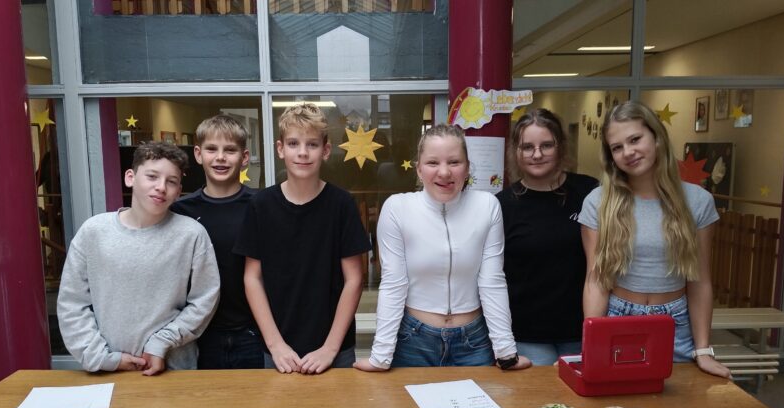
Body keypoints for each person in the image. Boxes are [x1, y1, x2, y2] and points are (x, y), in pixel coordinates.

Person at [354, 124, 531, 371]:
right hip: (414, 340)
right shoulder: (397, 208)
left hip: (474, 341)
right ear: (419, 168)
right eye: (433, 162)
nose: (444, 172)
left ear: (467, 168)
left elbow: (492, 281)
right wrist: (381, 356)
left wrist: (506, 352)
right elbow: (394, 283)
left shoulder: (487, 206)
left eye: (454, 162)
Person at [578, 101, 730, 378]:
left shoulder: (698, 201)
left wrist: (703, 350)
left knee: (682, 401)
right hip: (617, 318)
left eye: (635, 139)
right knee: (617, 398)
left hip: (675, 324)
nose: (628, 152)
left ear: (657, 137)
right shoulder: (598, 202)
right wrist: (592, 346)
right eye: (617, 147)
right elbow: (596, 280)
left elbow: (699, 280)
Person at [57, 141, 220, 375]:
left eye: (171, 181)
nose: (161, 187)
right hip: (107, 369)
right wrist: (101, 357)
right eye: (152, 176)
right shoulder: (93, 232)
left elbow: (205, 300)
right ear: (130, 178)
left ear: (178, 190)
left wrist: (162, 342)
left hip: (174, 369)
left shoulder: (191, 234)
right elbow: (72, 303)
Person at [234, 103, 371, 374]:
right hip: (278, 349)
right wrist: (275, 345)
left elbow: (354, 280)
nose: (303, 152)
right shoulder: (261, 205)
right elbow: (252, 278)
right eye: (293, 143)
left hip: (335, 349)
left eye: (312, 144)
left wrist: (330, 348)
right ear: (280, 148)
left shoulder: (342, 204)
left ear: (326, 150)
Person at [496, 109, 598, 365]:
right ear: (516, 151)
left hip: (581, 331)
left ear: (560, 146)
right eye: (527, 147)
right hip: (527, 335)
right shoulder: (502, 205)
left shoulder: (589, 192)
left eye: (546, 145)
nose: (537, 154)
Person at [170, 115, 263, 369]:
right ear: (198, 154)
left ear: (244, 157)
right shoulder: (180, 211)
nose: (220, 157)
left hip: (254, 333)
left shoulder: (262, 205)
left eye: (230, 150)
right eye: (212, 149)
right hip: (199, 335)